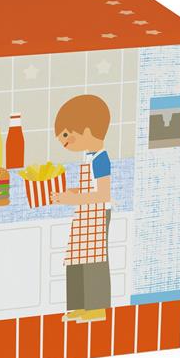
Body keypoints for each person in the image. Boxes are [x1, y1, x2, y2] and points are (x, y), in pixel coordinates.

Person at [51, 95, 112, 323]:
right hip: (86, 213)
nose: (64, 142)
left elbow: (103, 195)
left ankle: (96, 308)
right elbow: (89, 188)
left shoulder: (101, 160)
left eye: (66, 136)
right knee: (76, 260)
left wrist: (72, 199)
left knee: (93, 262)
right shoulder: (88, 156)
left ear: (86, 130)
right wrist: (72, 193)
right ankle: (78, 305)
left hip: (98, 214)